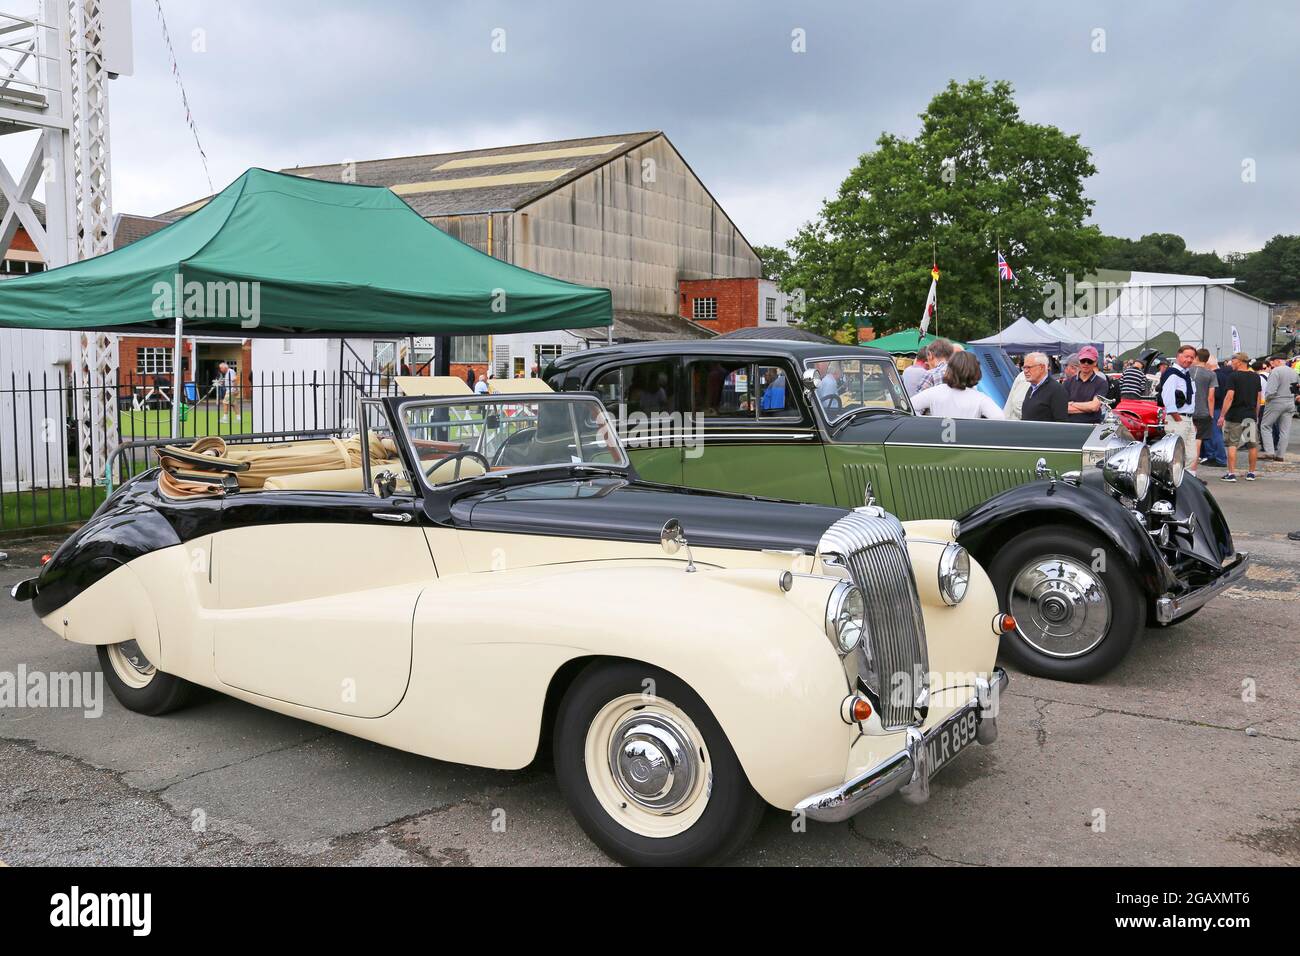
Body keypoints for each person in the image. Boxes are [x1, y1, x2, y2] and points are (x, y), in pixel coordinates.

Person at [909, 351, 1005, 420]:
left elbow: (909, 407)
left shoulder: (934, 392)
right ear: (976, 371)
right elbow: (999, 418)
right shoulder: (980, 398)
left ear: (949, 368)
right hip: (967, 444)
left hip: (939, 442)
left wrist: (926, 424)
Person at [1218, 352, 1261, 482]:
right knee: (1252, 445)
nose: (1231, 362)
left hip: (1234, 416)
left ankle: (1231, 474)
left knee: (1232, 444)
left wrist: (1222, 415)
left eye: (1233, 360)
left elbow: (1229, 396)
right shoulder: (1255, 377)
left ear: (1240, 361)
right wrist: (1256, 414)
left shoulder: (1233, 376)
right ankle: (1251, 473)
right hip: (1249, 416)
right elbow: (1258, 398)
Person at [1159, 344, 1198, 468]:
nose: (1189, 360)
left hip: (1188, 419)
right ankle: (1175, 484)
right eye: (1186, 356)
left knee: (1191, 456)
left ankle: (1184, 481)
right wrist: (1178, 419)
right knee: (1176, 456)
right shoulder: (1172, 374)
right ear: (1178, 356)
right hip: (1178, 419)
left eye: (1192, 357)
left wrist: (1191, 420)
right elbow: (1167, 398)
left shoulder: (1186, 375)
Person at [1261, 355, 1297, 461]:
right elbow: (1295, 389)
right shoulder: (1293, 371)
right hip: (1290, 402)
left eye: (1272, 362)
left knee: (1265, 426)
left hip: (1276, 401)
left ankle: (1270, 452)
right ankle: (1280, 455)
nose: (1271, 364)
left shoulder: (1276, 371)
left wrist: (1267, 399)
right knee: (1284, 430)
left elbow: (1271, 390)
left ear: (1277, 361)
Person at [1063, 345, 1108, 424]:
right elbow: (1062, 408)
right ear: (1079, 361)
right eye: (1083, 360)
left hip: (1092, 427)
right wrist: (1087, 408)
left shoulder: (1101, 383)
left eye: (1089, 361)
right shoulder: (1068, 383)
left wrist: (1073, 404)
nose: (1086, 363)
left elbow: (1094, 407)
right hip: (1070, 426)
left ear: (1095, 363)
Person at [1019, 351, 1069, 422]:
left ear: (1041, 368)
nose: (1025, 371)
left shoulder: (1056, 390)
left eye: (1028, 367)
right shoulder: (1032, 388)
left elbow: (1061, 422)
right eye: (1024, 367)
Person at [1189, 349, 1218, 473]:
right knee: (1197, 441)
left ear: (1196, 357)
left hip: (1186, 410)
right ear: (1207, 360)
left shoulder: (1187, 371)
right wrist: (1211, 414)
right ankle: (1193, 471)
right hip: (1202, 411)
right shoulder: (1211, 374)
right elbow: (1211, 397)